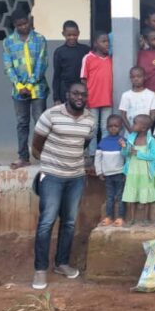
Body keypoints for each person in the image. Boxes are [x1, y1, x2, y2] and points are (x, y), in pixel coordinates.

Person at [30, 82, 96, 290]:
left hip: (76, 177)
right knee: (47, 221)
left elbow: (83, 144)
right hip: (52, 176)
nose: (80, 97)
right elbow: (36, 145)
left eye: (83, 94)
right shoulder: (50, 115)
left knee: (68, 222)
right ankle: (40, 270)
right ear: (67, 94)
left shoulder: (90, 119)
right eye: (75, 93)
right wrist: (49, 165)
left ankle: (62, 263)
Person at [3, 9, 49, 170]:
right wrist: (19, 86)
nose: (23, 27)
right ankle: (23, 156)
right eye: (19, 25)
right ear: (14, 25)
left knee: (41, 123)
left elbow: (42, 64)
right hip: (18, 91)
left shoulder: (40, 39)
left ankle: (44, 156)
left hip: (38, 89)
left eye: (25, 23)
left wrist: (29, 85)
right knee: (22, 123)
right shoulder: (8, 42)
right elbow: (8, 66)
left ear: (29, 21)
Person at [121, 114, 155, 225]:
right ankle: (131, 219)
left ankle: (146, 219)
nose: (132, 125)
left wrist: (138, 153)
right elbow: (125, 154)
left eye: (135, 123)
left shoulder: (151, 140)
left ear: (143, 128)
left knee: (146, 195)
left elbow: (153, 156)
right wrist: (124, 147)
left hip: (146, 172)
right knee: (131, 194)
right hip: (133, 171)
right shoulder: (131, 138)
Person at [80, 31, 113, 159]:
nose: (107, 44)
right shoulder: (88, 58)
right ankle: (92, 154)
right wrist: (85, 99)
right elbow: (83, 80)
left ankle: (103, 154)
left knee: (106, 128)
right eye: (103, 41)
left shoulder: (110, 59)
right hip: (92, 100)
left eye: (108, 41)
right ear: (95, 44)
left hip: (107, 99)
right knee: (93, 129)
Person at [95, 114, 127, 227]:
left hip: (120, 174)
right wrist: (99, 171)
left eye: (116, 126)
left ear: (121, 127)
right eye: (110, 126)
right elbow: (98, 158)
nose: (113, 128)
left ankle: (120, 217)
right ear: (107, 127)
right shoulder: (103, 142)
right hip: (107, 175)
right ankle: (109, 217)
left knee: (120, 197)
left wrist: (126, 172)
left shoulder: (123, 141)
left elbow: (127, 157)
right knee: (109, 197)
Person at [52, 20, 90, 107]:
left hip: (81, 89)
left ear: (78, 33)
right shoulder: (59, 52)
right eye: (69, 35)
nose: (72, 37)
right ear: (63, 34)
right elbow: (57, 76)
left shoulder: (86, 50)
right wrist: (56, 98)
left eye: (75, 35)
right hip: (65, 90)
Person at [118, 66, 155, 133]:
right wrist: (130, 130)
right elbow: (123, 115)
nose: (136, 79)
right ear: (130, 78)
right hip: (130, 132)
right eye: (133, 77)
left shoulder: (151, 95)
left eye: (139, 76)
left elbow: (153, 114)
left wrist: (146, 128)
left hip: (145, 132)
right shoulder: (125, 95)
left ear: (144, 77)